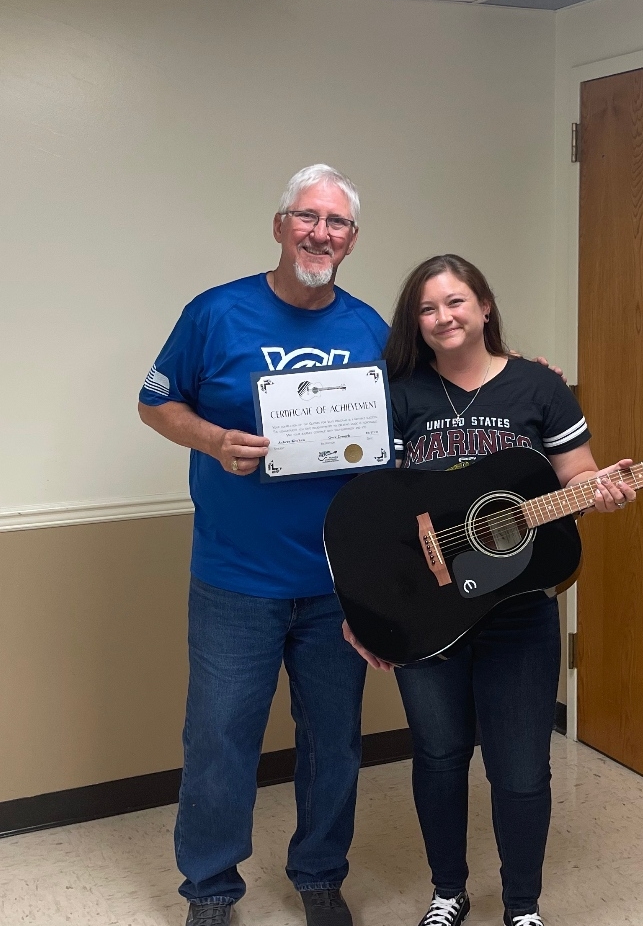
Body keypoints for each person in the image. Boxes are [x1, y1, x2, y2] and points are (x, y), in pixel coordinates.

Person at [344, 254, 636, 926]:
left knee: (522, 768)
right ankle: (448, 891)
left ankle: (522, 906)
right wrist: (363, 607)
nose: (443, 316)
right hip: (423, 612)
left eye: (455, 301)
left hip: (518, 611)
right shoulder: (400, 392)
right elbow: (369, 512)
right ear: (415, 321)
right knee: (441, 755)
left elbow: (576, 473)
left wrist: (600, 491)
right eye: (426, 307)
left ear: (484, 307)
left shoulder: (540, 385)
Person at [138, 165, 389, 926]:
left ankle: (319, 871)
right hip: (234, 578)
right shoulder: (215, 314)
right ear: (280, 225)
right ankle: (211, 889)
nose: (321, 233)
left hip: (337, 580)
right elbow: (155, 401)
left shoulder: (370, 328)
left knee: (334, 742)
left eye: (337, 223)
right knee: (219, 738)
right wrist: (215, 440)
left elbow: (419, 413)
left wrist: (527, 376)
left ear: (351, 240)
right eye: (308, 217)